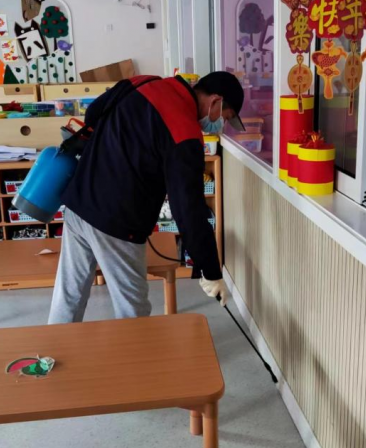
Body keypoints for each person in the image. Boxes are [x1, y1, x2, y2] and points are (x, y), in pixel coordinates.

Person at [48, 72, 245, 323]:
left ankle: (54, 345)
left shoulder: (144, 82)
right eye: (224, 117)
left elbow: (93, 113)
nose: (219, 124)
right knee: (133, 311)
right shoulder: (184, 129)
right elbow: (188, 208)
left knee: (68, 296)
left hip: (80, 200)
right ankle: (136, 350)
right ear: (216, 101)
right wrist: (211, 270)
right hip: (118, 221)